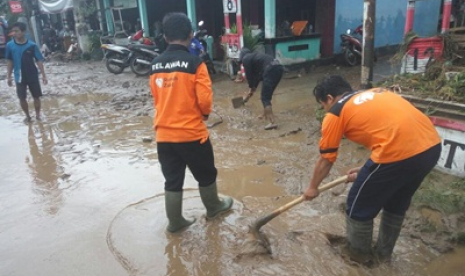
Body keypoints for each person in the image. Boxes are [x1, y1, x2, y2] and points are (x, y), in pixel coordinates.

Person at [304, 75, 441, 263]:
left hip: (397, 154)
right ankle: (384, 257)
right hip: (431, 147)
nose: (324, 109)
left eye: (323, 105)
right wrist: (366, 169)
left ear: (329, 98)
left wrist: (312, 187)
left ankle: (359, 259)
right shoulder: (377, 92)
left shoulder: (336, 112)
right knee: (396, 202)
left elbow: (326, 160)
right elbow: (387, 131)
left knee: (356, 207)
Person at [149, 12, 233, 233]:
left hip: (164, 136)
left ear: (165, 37)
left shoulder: (155, 65)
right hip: (191, 134)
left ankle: (175, 222)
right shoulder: (196, 63)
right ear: (190, 34)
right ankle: (214, 207)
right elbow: (205, 100)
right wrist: (203, 115)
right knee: (206, 174)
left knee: (172, 180)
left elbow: (157, 99)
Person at [6, 22, 48, 123]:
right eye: (14, 31)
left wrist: (43, 75)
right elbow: (10, 61)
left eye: (17, 31)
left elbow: (38, 60)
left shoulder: (32, 45)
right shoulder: (10, 45)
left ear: (23, 32)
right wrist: (8, 76)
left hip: (32, 74)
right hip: (19, 76)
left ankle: (38, 115)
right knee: (22, 97)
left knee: (36, 96)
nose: (15, 33)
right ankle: (28, 116)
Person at [239, 47, 284, 130]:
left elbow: (249, 76)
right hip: (279, 68)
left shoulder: (246, 58)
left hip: (270, 69)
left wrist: (250, 86)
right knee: (267, 94)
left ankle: (272, 122)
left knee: (264, 97)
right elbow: (257, 77)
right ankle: (265, 114)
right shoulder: (255, 57)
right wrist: (252, 89)